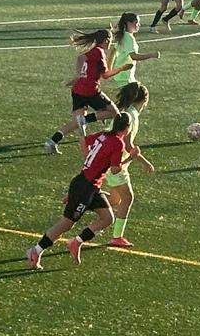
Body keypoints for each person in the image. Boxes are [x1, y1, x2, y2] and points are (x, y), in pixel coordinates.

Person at [25, 112, 141, 269]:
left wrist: (83, 133)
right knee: (66, 224)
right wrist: (131, 157)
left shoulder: (103, 135)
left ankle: (76, 242)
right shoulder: (117, 143)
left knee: (107, 218)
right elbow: (115, 170)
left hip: (91, 185)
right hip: (85, 187)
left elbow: (84, 143)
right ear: (127, 128)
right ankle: (35, 250)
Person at [43, 27, 132, 154]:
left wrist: (79, 75)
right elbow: (105, 75)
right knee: (115, 113)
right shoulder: (99, 52)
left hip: (78, 90)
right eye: (110, 40)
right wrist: (122, 68)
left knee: (76, 123)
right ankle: (87, 121)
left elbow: (80, 58)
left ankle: (52, 142)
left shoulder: (93, 50)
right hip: (91, 91)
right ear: (105, 40)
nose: (110, 43)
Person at [103, 81, 156, 248]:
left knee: (115, 199)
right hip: (116, 163)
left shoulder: (127, 112)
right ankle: (117, 237)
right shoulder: (131, 116)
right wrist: (144, 162)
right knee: (127, 198)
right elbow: (127, 145)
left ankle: (83, 200)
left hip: (109, 160)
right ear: (144, 100)